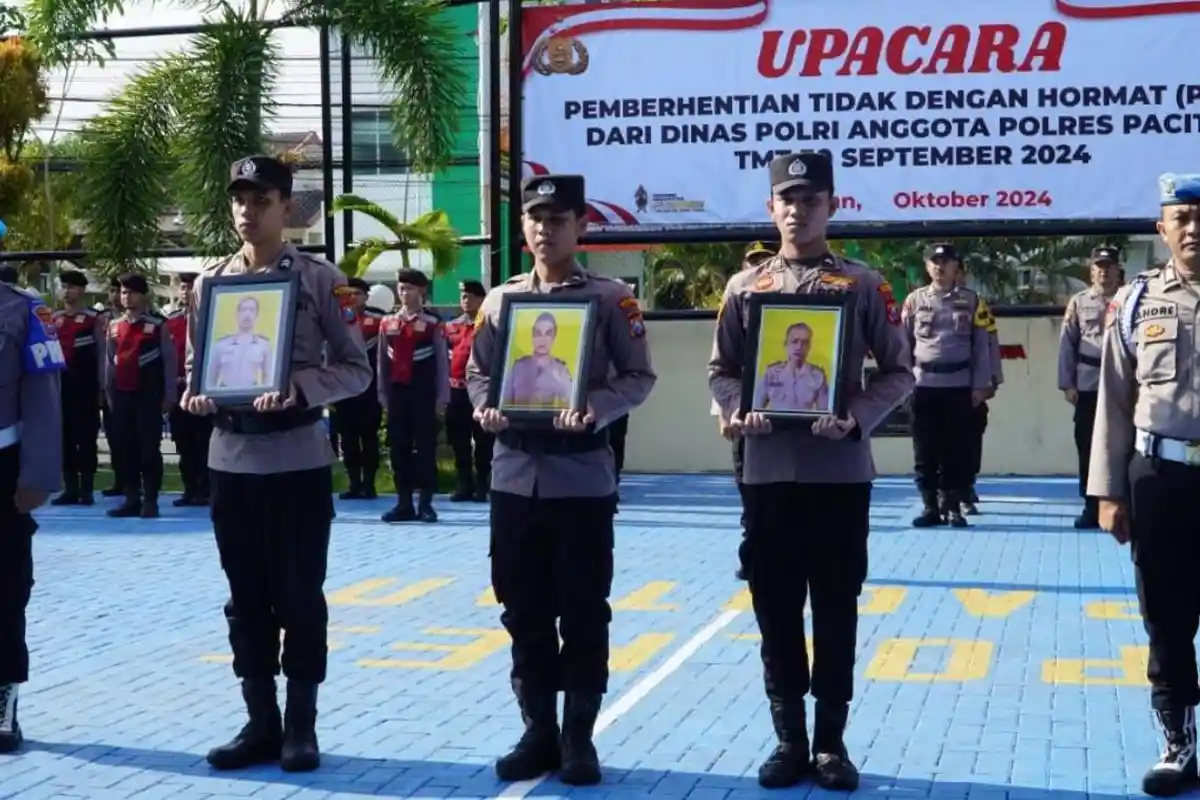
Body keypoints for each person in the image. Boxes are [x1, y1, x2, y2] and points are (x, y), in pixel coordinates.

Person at [710, 152, 913, 791]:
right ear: (771, 208)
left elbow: (900, 371)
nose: (798, 211)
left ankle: (830, 743)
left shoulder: (861, 285)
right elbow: (722, 371)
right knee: (774, 607)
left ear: (832, 206)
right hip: (768, 472)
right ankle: (788, 739)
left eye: (810, 200)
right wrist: (735, 410)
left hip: (838, 473)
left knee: (835, 606)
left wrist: (855, 416)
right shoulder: (746, 289)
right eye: (787, 200)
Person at [181, 154, 372, 773]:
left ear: (286, 208)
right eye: (239, 200)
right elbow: (198, 366)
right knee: (245, 598)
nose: (247, 211)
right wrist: (197, 394)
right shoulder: (210, 284)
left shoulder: (319, 280)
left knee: (298, 596)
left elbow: (356, 369)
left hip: (294, 460)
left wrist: (300, 389)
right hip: (232, 460)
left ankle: (300, 726)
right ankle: (259, 721)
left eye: (260, 200)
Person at [468, 174, 656, 786]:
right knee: (522, 610)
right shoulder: (501, 302)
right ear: (523, 227)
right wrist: (486, 406)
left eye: (557, 219)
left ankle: (578, 737)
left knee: (582, 611)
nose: (545, 229)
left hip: (580, 479)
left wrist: (595, 407)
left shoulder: (610, 299)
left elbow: (638, 377)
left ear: (581, 226)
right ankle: (538, 731)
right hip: (514, 477)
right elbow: (478, 373)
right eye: (536, 218)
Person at [1089, 172, 1200, 798]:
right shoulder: (1136, 303)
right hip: (1160, 477)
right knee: (1166, 615)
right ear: (1162, 229)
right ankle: (1178, 743)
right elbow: (1113, 400)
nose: (1193, 228)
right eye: (1181, 218)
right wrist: (1108, 491)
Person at [0, 277, 65, 753]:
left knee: (5, 587)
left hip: (2, 466)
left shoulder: (25, 310)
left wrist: (38, 473)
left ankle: (3, 695)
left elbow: (43, 396)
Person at [901, 242, 994, 529]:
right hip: (923, 385)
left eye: (946, 262)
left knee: (957, 451)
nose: (940, 267)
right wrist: (902, 383)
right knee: (924, 451)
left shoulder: (973, 300)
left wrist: (980, 385)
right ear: (927, 267)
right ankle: (930, 506)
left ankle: (952, 506)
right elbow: (903, 344)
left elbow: (982, 346)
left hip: (959, 386)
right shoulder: (914, 300)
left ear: (956, 267)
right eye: (934, 262)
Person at [1058, 245, 1123, 529]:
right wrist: (1067, 384)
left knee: (1122, 446)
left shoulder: (1130, 298)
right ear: (1091, 271)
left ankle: (1120, 504)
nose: (1103, 272)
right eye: (1099, 267)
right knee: (1087, 446)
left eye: (1108, 267)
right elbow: (1067, 343)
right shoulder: (1079, 301)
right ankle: (1090, 505)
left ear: (1118, 270)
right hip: (1088, 382)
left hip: (1121, 383)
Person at [377, 268, 449, 523]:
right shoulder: (388, 323)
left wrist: (442, 397)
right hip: (398, 393)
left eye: (410, 288)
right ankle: (404, 503)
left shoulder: (432, 323)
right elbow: (382, 361)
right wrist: (382, 394)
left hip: (424, 393)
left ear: (421, 291)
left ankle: (426, 504)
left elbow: (442, 362)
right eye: (401, 288)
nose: (404, 293)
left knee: (426, 449)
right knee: (399, 448)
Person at [104, 274, 176, 519]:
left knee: (148, 449)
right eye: (123, 292)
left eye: (132, 292)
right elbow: (109, 362)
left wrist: (169, 393)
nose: (126, 297)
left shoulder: (157, 325)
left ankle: (151, 500)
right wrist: (108, 392)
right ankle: (131, 498)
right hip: (121, 395)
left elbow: (169, 360)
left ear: (143, 295)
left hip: (148, 395)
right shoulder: (114, 326)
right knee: (125, 449)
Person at [733, 242, 776, 582]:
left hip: (787, 406)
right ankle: (752, 556)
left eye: (765, 260)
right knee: (748, 489)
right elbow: (724, 363)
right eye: (753, 261)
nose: (758, 267)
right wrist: (725, 411)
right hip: (747, 412)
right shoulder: (737, 295)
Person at [51, 269, 105, 506]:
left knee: (86, 438)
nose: (66, 291)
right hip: (61, 387)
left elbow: (102, 354)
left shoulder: (94, 319)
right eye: (63, 286)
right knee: (64, 439)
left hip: (85, 388)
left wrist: (102, 386)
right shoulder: (54, 319)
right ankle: (70, 487)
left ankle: (87, 489)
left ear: (82, 290)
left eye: (71, 287)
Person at [955, 266, 1003, 516]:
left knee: (970, 442)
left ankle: (966, 488)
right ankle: (944, 494)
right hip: (937, 385)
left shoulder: (976, 304)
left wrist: (991, 381)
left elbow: (990, 344)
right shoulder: (923, 300)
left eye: (958, 272)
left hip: (970, 387)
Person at [335, 278, 384, 500]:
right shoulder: (340, 320)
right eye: (350, 293)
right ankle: (354, 483)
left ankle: (369, 484)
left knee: (369, 437)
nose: (353, 297)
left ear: (366, 296)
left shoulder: (379, 320)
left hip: (370, 390)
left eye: (358, 293)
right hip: (345, 389)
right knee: (348, 439)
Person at [445, 279, 492, 502]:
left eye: (471, 296)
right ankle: (464, 482)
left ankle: (482, 483)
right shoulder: (452, 327)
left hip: (481, 392)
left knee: (483, 440)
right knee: (459, 440)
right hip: (456, 392)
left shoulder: (489, 326)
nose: (465, 299)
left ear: (482, 299)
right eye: (463, 295)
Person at [166, 273, 211, 506]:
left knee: (203, 441)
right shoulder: (171, 320)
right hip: (178, 389)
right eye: (183, 287)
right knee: (183, 443)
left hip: (201, 389)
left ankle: (205, 490)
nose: (186, 292)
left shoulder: (208, 317)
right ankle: (189, 489)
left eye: (190, 287)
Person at [753, 322, 830, 412]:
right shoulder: (771, 374)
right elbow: (755, 409)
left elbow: (824, 414)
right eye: (794, 341)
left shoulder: (818, 377)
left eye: (804, 343)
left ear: (809, 347)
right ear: (786, 344)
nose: (799, 347)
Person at [503, 312, 574, 408]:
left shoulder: (561, 370)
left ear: (554, 338)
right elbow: (504, 402)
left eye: (548, 334)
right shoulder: (518, 368)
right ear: (532, 336)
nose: (542, 339)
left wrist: (558, 380)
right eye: (538, 333)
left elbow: (573, 401)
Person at [209, 295, 274, 390]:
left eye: (251, 310)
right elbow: (210, 379)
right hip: (224, 393)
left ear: (256, 315)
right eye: (243, 310)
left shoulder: (264, 345)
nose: (247, 314)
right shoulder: (221, 345)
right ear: (237, 314)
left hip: (251, 394)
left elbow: (268, 379)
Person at [100, 275, 127, 497]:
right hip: (107, 386)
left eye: (119, 291)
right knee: (114, 437)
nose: (115, 296)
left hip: (131, 387)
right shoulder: (102, 319)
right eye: (112, 291)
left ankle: (134, 483)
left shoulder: (143, 319)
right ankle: (120, 479)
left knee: (134, 438)